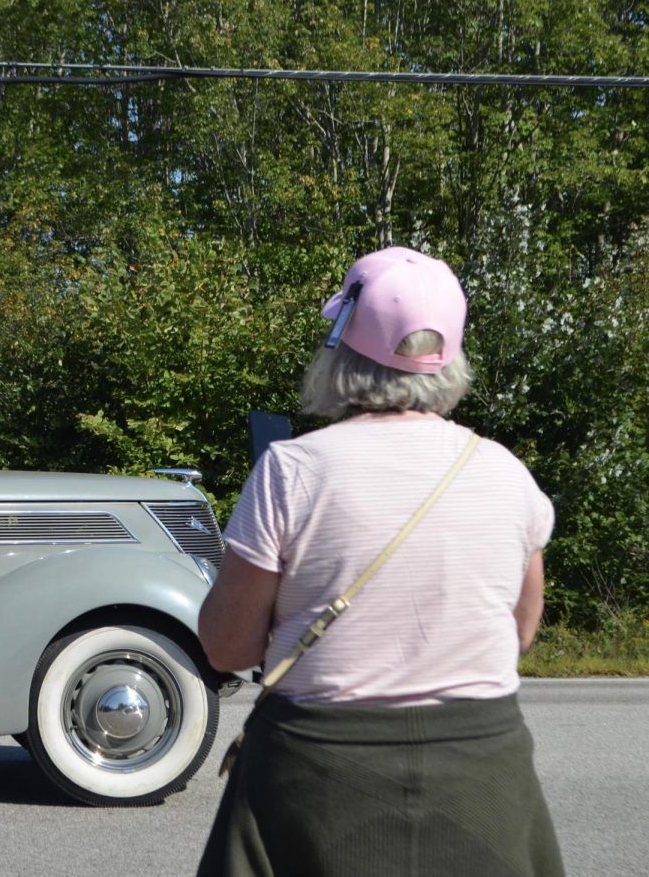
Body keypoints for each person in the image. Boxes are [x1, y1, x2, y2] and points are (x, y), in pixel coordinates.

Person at [196, 247, 563, 876]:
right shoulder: (506, 473)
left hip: (317, 773)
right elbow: (520, 630)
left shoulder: (294, 470)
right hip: (482, 775)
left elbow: (228, 647)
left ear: (340, 348)